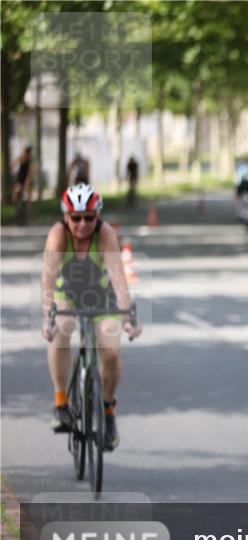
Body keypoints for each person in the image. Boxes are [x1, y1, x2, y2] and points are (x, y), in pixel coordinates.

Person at [41, 184, 142, 451]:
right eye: (76, 217)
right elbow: (48, 280)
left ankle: (108, 411)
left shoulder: (105, 233)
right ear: (66, 216)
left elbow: (119, 280)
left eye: (89, 217)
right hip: (69, 294)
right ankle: (61, 403)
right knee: (61, 328)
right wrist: (46, 317)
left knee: (111, 353)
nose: (83, 224)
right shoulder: (58, 235)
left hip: (102, 296)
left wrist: (128, 316)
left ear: (97, 217)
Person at [12, 144, 33, 224]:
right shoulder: (23, 158)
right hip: (20, 180)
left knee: (28, 200)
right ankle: (19, 213)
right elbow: (14, 164)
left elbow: (30, 172)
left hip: (24, 181)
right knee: (17, 196)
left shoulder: (28, 159)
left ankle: (27, 215)